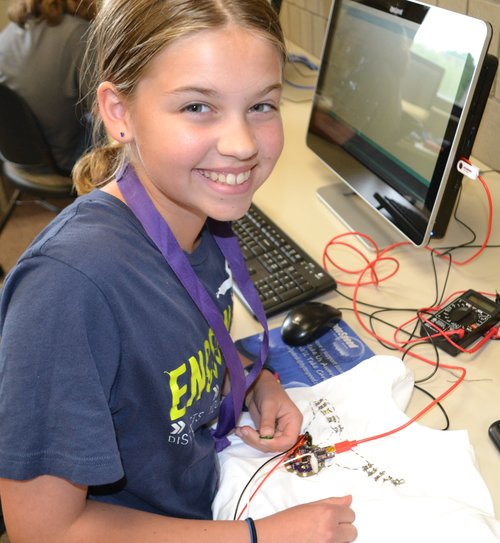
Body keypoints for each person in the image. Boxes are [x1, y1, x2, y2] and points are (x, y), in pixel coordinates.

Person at [0, 1, 357, 542]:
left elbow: (167, 346)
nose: (241, 145)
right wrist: (262, 537)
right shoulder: (68, 288)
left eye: (262, 105)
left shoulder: (197, 212)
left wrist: (252, 378)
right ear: (119, 113)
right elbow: (43, 530)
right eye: (197, 106)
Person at [0, 0, 96, 174]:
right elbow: (102, 109)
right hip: (65, 161)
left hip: (14, 157)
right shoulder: (79, 33)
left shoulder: (6, 35)